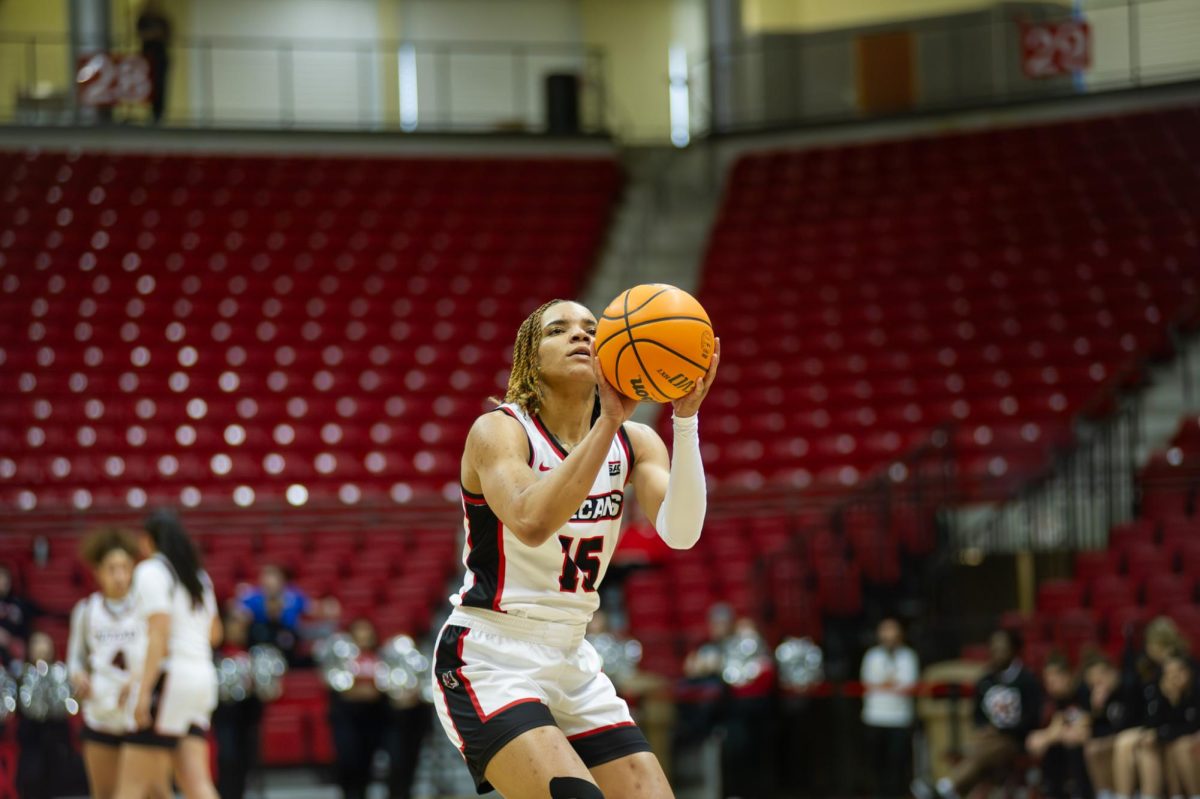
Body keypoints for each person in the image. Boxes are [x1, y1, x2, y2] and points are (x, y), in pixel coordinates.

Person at [430, 299, 718, 798]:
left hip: (573, 656)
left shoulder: (637, 441)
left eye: (590, 329)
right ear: (529, 358)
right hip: (490, 655)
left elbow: (681, 532)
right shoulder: (500, 430)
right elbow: (531, 520)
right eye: (559, 330)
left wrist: (686, 420)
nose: (581, 336)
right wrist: (605, 423)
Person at [114, 509, 221, 799]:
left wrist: (144, 690)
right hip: (202, 678)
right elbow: (215, 634)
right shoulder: (199, 577)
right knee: (194, 782)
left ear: (148, 540)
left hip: (171, 677)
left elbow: (159, 634)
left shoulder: (151, 571)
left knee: (131, 786)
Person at [912, 628, 1042, 799]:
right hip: (988, 739)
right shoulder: (985, 680)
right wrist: (984, 728)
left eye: (1002, 649)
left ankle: (946, 788)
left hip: (1016, 740)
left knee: (981, 751)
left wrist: (1002, 731)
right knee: (979, 750)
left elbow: (1032, 718)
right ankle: (951, 791)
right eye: (994, 649)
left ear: (1014, 650)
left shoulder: (1027, 680)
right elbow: (978, 715)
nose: (997, 653)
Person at [67, 529, 144, 799]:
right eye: (112, 568)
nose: (120, 574)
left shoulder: (145, 606)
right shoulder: (86, 610)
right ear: (98, 571)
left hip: (138, 717)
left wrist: (137, 679)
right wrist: (78, 676)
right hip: (100, 715)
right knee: (104, 794)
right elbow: (75, 658)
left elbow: (157, 657)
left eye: (125, 567)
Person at [1112, 616, 1191, 799]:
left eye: (1151, 644)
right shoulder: (1152, 668)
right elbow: (1147, 709)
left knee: (1144, 746)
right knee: (1124, 741)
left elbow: (1182, 712)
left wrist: (1172, 698)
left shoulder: (1182, 667)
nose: (1148, 649)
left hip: (1177, 728)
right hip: (1155, 726)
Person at [16, 631, 86, 799]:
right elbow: (21, 705)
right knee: (33, 771)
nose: (41, 648)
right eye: (37, 644)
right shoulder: (21, 673)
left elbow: (70, 703)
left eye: (45, 643)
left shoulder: (60, 671)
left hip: (56, 730)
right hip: (32, 733)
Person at [328, 617, 388, 799]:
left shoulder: (381, 658)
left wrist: (360, 690)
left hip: (373, 718)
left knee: (367, 763)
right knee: (348, 761)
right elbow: (336, 686)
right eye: (360, 631)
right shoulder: (342, 658)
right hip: (346, 719)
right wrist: (364, 691)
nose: (364, 635)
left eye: (367, 631)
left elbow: (385, 688)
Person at [860, 617, 919, 798]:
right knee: (877, 763)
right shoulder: (872, 656)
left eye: (893, 630)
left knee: (897, 764)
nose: (889, 635)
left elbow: (908, 684)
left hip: (900, 718)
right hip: (874, 716)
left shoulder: (908, 656)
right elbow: (868, 682)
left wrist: (885, 683)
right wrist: (891, 683)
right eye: (885, 630)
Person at [212, 611, 265, 799]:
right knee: (228, 759)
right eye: (233, 625)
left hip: (247, 716)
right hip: (224, 716)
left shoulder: (253, 653)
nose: (238, 630)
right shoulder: (214, 655)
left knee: (245, 761)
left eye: (242, 626)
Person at [1026, 654, 1092, 799]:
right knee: (1050, 748)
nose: (1050, 685)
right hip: (1057, 753)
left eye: (1054, 680)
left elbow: (1082, 734)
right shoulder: (1049, 702)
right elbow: (1033, 742)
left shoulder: (1083, 694)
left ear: (1068, 675)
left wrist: (1052, 734)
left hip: (1087, 752)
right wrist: (1054, 734)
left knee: (1072, 746)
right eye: (1047, 681)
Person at [1136, 652, 1199, 799]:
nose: (1174, 676)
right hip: (1173, 740)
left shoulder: (1196, 690)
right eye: (1169, 673)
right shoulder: (1162, 691)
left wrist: (1160, 734)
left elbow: (1192, 726)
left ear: (1188, 672)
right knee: (1155, 747)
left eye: (1179, 671)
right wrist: (1171, 698)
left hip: (1190, 740)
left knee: (1180, 747)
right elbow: (1151, 723)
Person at [1081, 655, 1136, 799]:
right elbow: (1097, 730)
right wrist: (1096, 709)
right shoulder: (1102, 695)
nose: (1098, 683)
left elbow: (1130, 721)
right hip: (1115, 737)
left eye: (1101, 677)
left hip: (1133, 734)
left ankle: (1123, 792)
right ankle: (1105, 793)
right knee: (1092, 748)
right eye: (1094, 681)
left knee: (1112, 746)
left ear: (1112, 672)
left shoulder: (1128, 686)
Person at [136, 0, 170, 123]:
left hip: (159, 55)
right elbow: (142, 34)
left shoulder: (162, 19)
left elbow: (166, 34)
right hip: (147, 55)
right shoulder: (144, 19)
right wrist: (153, 34)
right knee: (148, 85)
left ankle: (158, 114)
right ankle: (150, 112)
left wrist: (153, 34)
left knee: (160, 85)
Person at [0, 562, 37, 666]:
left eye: (5, 578)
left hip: (15, 654)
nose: (3, 582)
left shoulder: (19, 603)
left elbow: (26, 629)